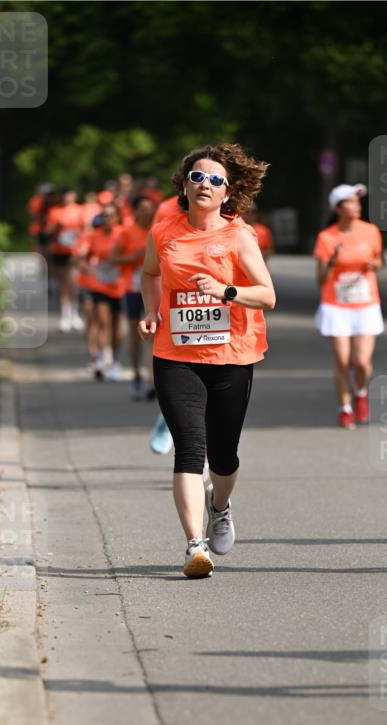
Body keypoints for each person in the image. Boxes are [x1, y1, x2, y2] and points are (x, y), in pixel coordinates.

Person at [139, 143, 275, 578]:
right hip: (176, 354)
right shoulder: (164, 230)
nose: (205, 185)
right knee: (189, 449)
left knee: (224, 455)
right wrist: (150, 310)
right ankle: (194, 546)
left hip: (232, 355)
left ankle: (221, 505)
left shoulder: (239, 235)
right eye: (198, 177)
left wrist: (226, 292)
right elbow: (149, 273)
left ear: (227, 192)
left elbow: (267, 295)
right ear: (184, 184)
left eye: (216, 180)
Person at [313, 184, 385, 428]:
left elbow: (379, 260)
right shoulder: (327, 237)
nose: (356, 206)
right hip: (336, 305)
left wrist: (374, 264)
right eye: (350, 202)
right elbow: (320, 279)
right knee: (343, 361)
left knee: (362, 361)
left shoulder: (371, 231)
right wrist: (332, 261)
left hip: (366, 303)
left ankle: (361, 392)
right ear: (338, 208)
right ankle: (344, 408)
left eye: (357, 202)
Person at [116, 195, 157, 398]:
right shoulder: (126, 232)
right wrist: (131, 258)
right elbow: (111, 257)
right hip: (131, 288)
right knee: (135, 336)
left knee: (154, 334)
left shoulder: (158, 230)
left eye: (150, 208)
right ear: (135, 211)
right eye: (142, 209)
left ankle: (152, 380)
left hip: (153, 289)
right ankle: (135, 375)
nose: (146, 212)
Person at [86, 205, 125, 381]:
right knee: (103, 321)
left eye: (111, 215)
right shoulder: (95, 235)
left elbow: (136, 255)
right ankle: (103, 358)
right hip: (100, 284)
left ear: (117, 218)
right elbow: (84, 256)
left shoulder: (123, 234)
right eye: (105, 215)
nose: (107, 219)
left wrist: (117, 260)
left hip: (121, 285)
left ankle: (115, 360)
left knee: (117, 327)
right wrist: (87, 264)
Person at [46, 188, 86, 332]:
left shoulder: (80, 210)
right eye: (64, 195)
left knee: (74, 281)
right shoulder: (54, 211)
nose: (67, 197)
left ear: (74, 195)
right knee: (63, 283)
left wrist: (83, 247)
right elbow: (48, 231)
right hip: (59, 250)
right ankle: (65, 314)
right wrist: (56, 227)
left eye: (70, 194)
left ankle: (75, 313)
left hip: (74, 251)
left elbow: (86, 230)